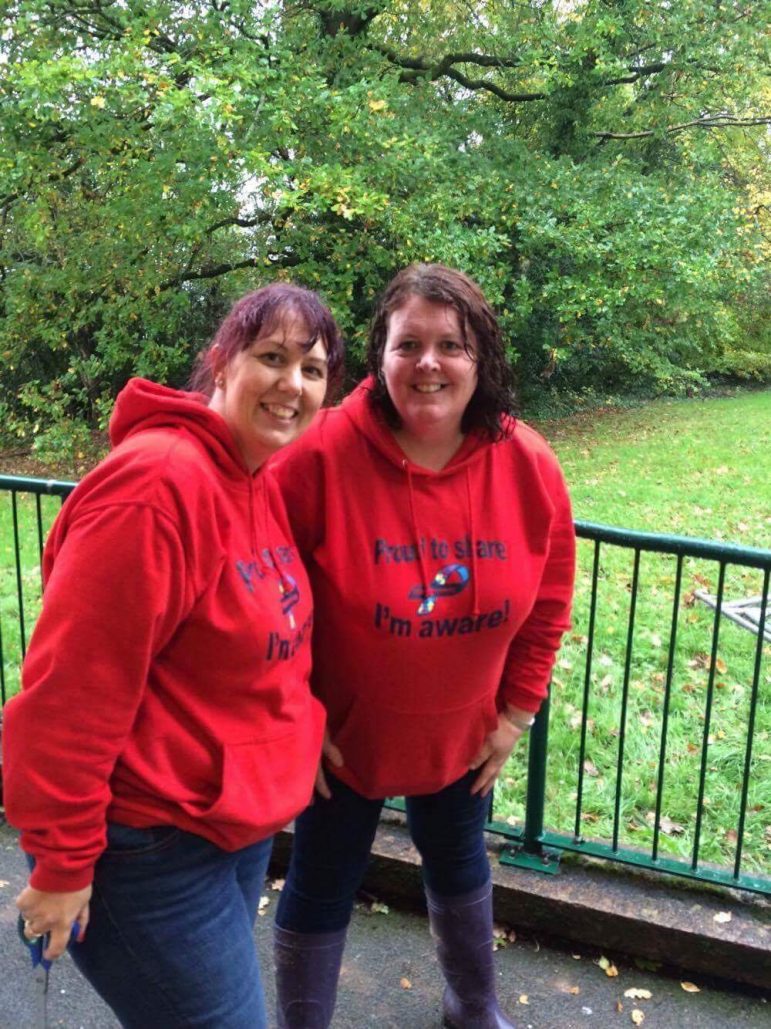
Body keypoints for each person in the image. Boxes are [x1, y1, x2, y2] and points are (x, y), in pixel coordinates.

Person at [3, 283, 343, 1028]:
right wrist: (62, 862)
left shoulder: (253, 477)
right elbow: (70, 694)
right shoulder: (158, 486)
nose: (293, 383)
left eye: (313, 369)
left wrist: (299, 732)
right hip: (145, 850)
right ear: (220, 364)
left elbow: (261, 649)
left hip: (227, 825)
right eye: (272, 357)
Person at [271, 264, 576, 1029]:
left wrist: (515, 713)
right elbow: (262, 599)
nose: (430, 363)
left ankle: (472, 1008)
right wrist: (294, 718)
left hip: (463, 735)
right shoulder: (317, 454)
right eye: (409, 343)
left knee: (460, 863)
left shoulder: (526, 461)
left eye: (452, 344)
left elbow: (549, 598)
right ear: (380, 355)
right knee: (319, 880)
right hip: (341, 739)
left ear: (482, 360)